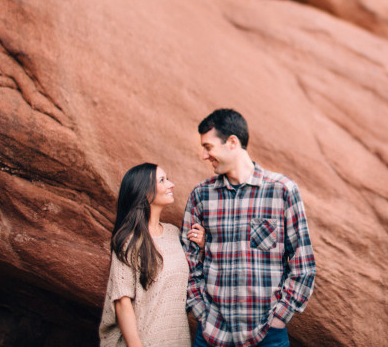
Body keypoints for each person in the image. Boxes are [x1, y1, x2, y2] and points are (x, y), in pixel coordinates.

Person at [182, 109, 316, 347]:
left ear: (232, 142)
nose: (204, 155)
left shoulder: (282, 190)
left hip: (267, 335)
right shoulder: (201, 196)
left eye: (208, 146)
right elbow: (188, 261)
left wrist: (280, 317)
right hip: (211, 333)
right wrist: (201, 312)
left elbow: (302, 264)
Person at [99, 162, 205, 347]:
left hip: (178, 340)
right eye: (162, 180)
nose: (171, 184)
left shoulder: (173, 233)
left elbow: (194, 278)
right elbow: (122, 303)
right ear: (145, 192)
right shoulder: (128, 242)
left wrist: (202, 246)